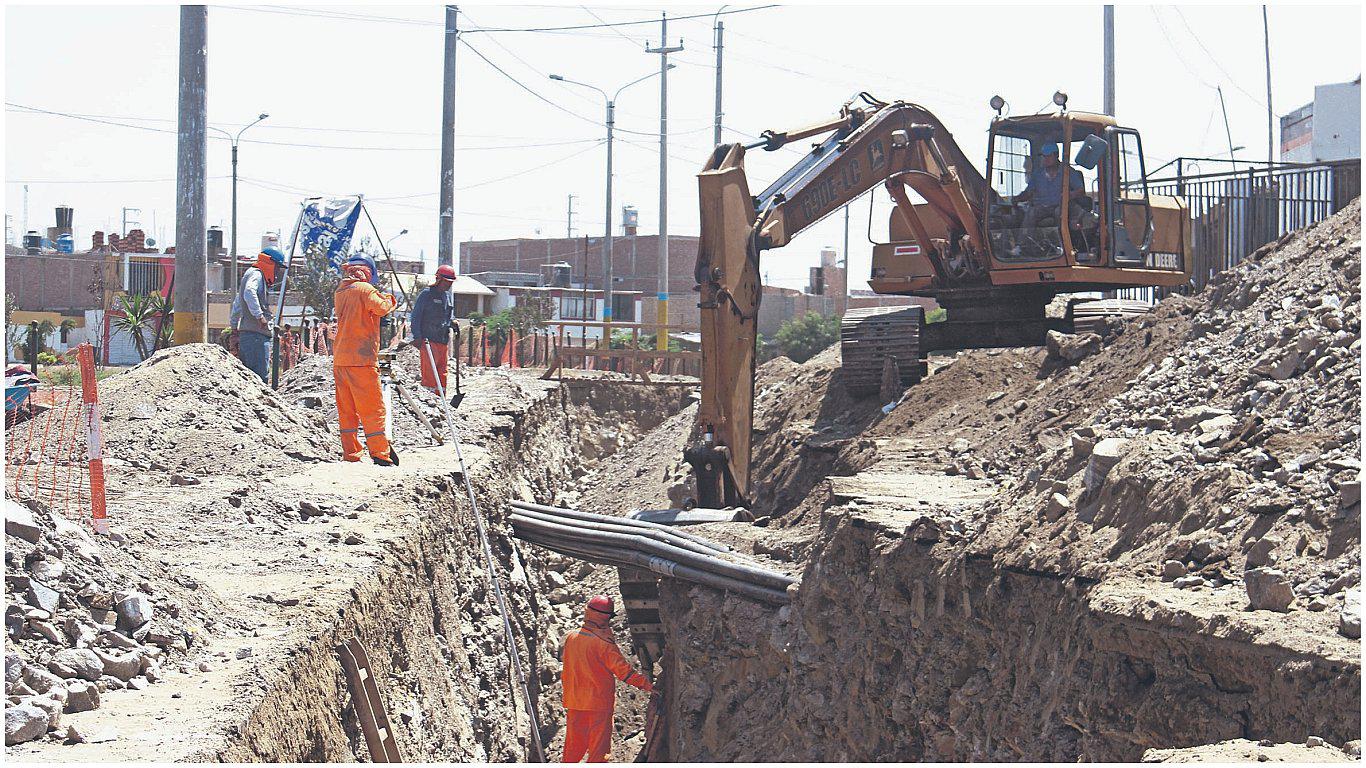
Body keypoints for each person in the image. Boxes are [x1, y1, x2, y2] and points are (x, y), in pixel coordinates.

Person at [560, 595, 653, 763]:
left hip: (574, 702)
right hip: (598, 704)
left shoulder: (571, 637)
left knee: (572, 750)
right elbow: (624, 672)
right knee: (598, 751)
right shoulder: (602, 643)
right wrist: (648, 686)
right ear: (604, 618)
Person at [333, 255, 399, 465]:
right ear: (367, 272)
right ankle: (380, 453)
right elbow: (381, 308)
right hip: (361, 360)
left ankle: (351, 453)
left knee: (347, 410)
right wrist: (389, 298)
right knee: (372, 408)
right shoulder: (365, 290)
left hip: (341, 359)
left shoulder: (341, 291)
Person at [1012, 143, 1087, 254]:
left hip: (1062, 206)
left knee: (1060, 213)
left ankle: (1062, 246)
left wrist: (1068, 195)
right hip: (1043, 207)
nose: (1045, 159)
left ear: (1056, 156)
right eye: (1043, 156)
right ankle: (1021, 247)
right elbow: (1029, 192)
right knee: (1031, 213)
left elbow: (1080, 191)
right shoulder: (1038, 174)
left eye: (1048, 156)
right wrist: (1017, 198)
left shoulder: (1067, 172)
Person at [229, 247, 287, 381]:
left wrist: (233, 326)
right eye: (277, 268)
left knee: (249, 380)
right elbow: (249, 292)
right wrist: (260, 317)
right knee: (259, 379)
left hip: (247, 337)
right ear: (270, 263)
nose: (277, 273)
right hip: (257, 338)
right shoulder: (257, 274)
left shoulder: (249, 274)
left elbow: (237, 304)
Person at [409, 264, 457, 393]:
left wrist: (453, 322)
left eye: (450, 282)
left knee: (442, 373)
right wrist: (417, 336)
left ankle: (441, 401)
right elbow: (416, 316)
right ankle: (429, 398)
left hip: (442, 341)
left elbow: (447, 316)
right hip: (428, 341)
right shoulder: (427, 294)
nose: (448, 285)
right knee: (430, 373)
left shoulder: (447, 297)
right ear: (439, 279)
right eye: (446, 282)